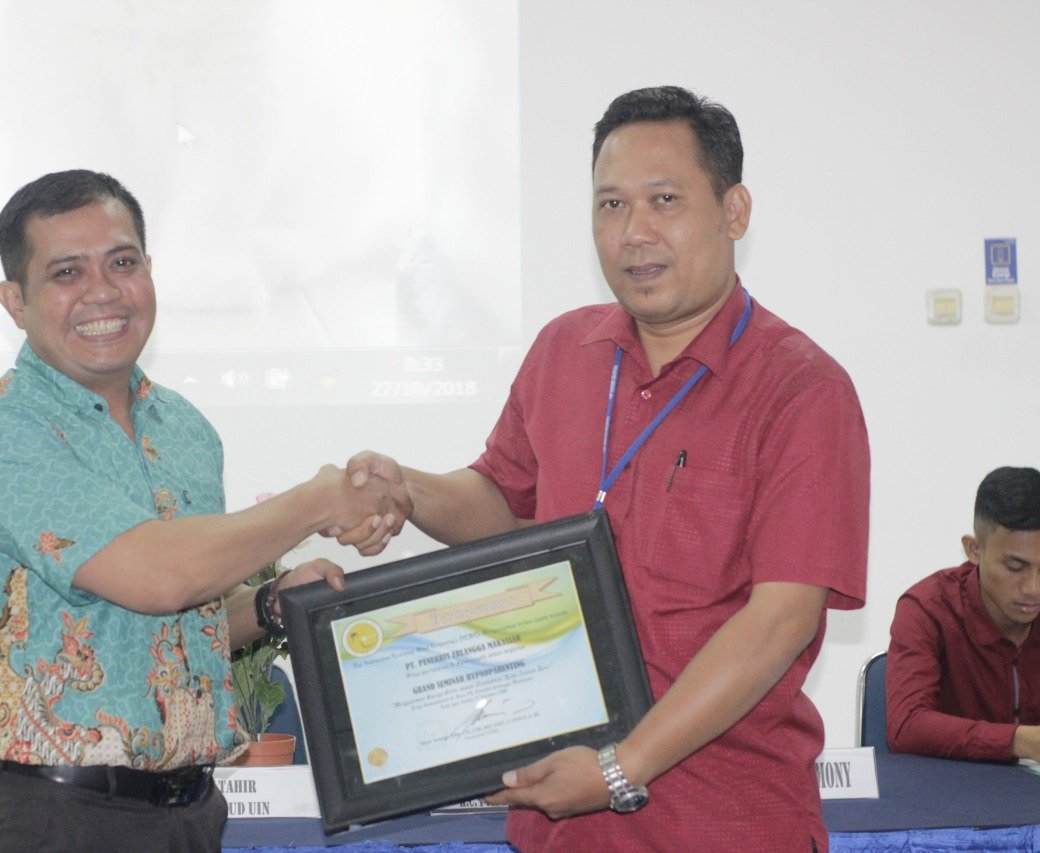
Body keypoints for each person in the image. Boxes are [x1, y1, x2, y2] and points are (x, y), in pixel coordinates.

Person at [338, 86, 870, 850]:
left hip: (722, 822)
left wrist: (622, 767)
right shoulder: (565, 351)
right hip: (558, 823)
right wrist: (408, 489)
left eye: (665, 200)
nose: (634, 232)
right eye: (611, 205)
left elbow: (778, 621)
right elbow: (501, 501)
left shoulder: (802, 389)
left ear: (735, 211)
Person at [0, 169, 407, 851]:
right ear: (15, 300)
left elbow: (180, 622)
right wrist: (319, 499)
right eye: (67, 272)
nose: (103, 290)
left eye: (122, 263)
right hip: (56, 819)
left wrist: (268, 603)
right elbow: (159, 576)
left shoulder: (185, 429)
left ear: (150, 271)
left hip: (191, 813)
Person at [887, 466, 1040, 761]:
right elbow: (906, 726)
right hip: (952, 788)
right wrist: (1019, 741)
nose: (1033, 589)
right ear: (974, 550)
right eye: (1015, 567)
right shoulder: (928, 608)